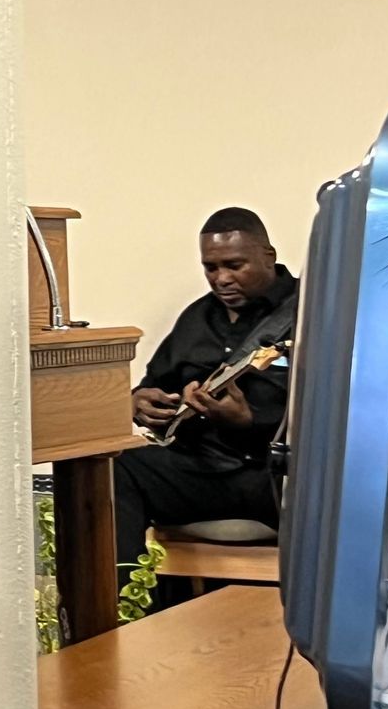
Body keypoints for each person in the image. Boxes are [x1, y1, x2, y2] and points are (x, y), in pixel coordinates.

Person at [115, 208, 298, 580]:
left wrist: (249, 421)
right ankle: (124, 605)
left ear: (269, 256)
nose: (221, 279)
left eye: (234, 265)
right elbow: (154, 384)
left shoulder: (312, 312)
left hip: (275, 478)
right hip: (203, 471)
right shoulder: (197, 318)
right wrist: (138, 402)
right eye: (210, 268)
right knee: (115, 465)